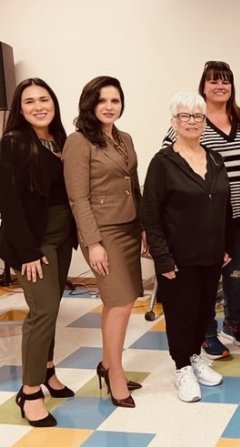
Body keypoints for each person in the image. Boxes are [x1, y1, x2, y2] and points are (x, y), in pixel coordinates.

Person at [162, 61, 240, 360]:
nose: (220, 86)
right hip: (204, 222)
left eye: (226, 80)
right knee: (206, 282)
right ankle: (207, 334)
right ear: (203, 86)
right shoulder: (191, 120)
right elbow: (168, 163)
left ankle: (233, 321)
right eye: (214, 81)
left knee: (237, 275)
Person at [63, 76, 144, 408]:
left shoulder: (124, 137)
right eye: (103, 101)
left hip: (128, 227)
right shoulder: (79, 142)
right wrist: (92, 242)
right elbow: (77, 199)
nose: (110, 107)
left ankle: (108, 364)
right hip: (103, 231)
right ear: (90, 104)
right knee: (122, 302)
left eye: (115, 100)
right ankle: (115, 374)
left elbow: (133, 184)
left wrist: (143, 228)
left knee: (117, 303)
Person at [143, 92, 229, 402]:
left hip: (211, 255)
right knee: (181, 314)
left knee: (203, 311)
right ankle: (181, 368)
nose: (192, 121)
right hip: (177, 258)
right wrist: (162, 258)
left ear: (205, 122)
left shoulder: (215, 159)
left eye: (198, 116)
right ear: (173, 122)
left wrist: (226, 245)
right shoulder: (162, 163)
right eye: (185, 116)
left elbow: (224, 206)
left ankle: (195, 358)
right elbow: (150, 215)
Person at [0, 78, 75, 427]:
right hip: (34, 242)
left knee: (53, 306)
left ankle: (47, 370)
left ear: (54, 103)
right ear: (20, 108)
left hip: (62, 238)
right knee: (42, 311)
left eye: (44, 99)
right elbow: (9, 203)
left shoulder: (59, 140)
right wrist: (28, 252)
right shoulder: (13, 141)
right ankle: (29, 392)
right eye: (29, 101)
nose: (38, 106)